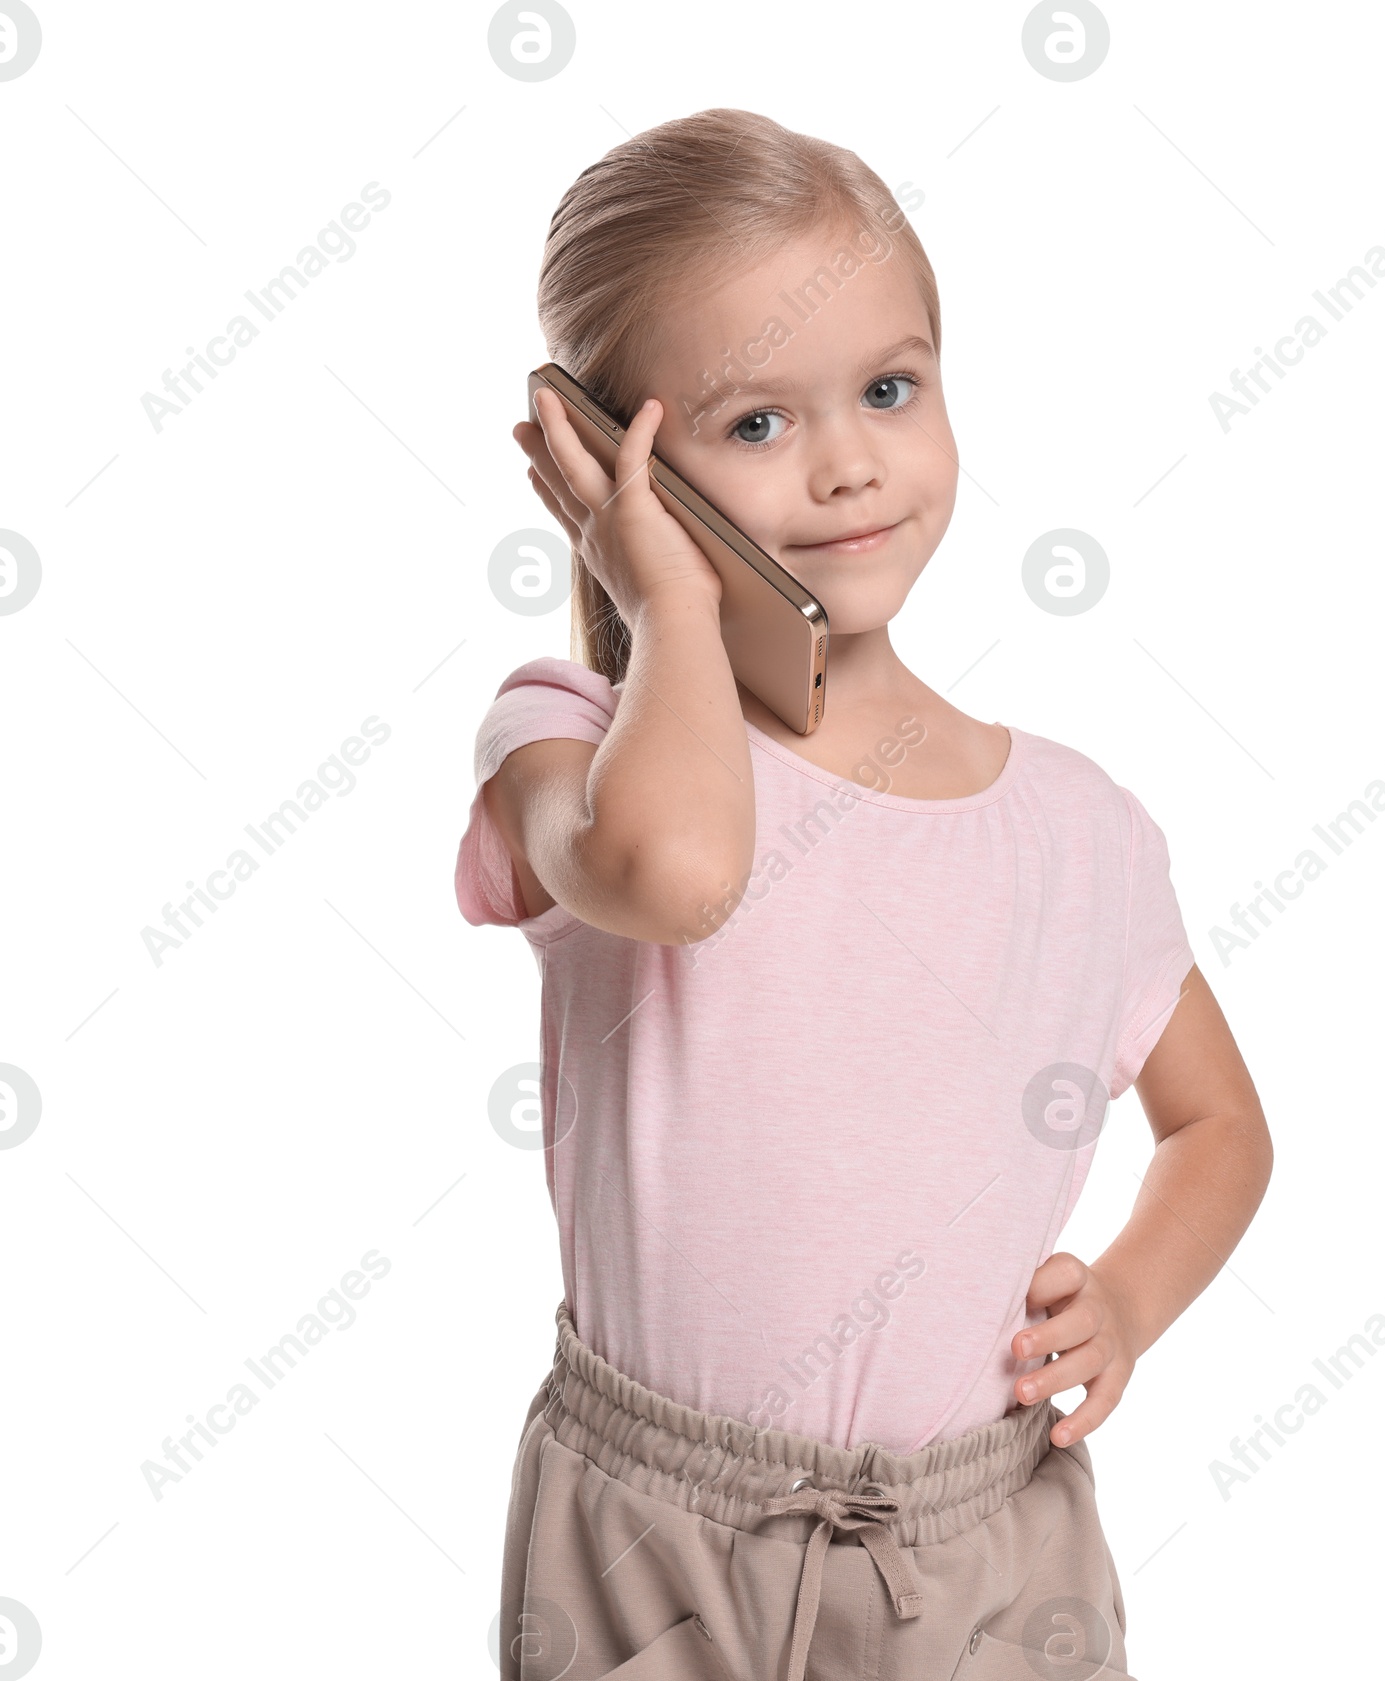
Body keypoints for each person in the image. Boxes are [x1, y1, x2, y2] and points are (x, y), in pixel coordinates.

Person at [456, 106, 1272, 1681]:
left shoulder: (1077, 827)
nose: (847, 464)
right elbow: (684, 877)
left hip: (982, 1550)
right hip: (656, 1543)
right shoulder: (568, 741)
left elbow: (1222, 1124)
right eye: (756, 424)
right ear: (613, 463)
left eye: (890, 390)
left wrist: (1127, 1293)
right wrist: (664, 605)